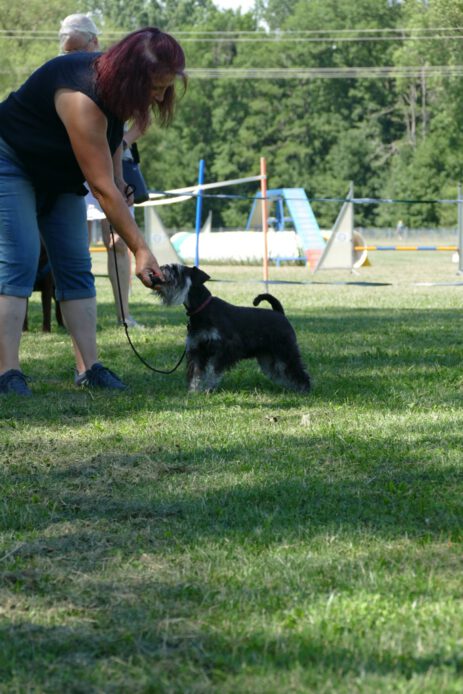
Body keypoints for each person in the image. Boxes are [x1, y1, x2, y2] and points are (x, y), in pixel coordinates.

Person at [0, 27, 186, 395]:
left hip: (59, 176)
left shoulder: (115, 91)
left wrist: (120, 181)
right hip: (11, 161)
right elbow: (100, 189)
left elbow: (110, 142)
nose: (159, 96)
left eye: (166, 88)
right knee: (19, 260)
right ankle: (7, 373)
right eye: (155, 87)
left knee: (75, 265)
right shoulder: (80, 93)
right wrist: (141, 249)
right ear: (133, 77)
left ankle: (89, 369)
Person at [59, 13, 144, 329]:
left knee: (119, 242)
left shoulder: (116, 75)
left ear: (94, 41)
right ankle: (78, 316)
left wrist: (121, 141)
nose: (71, 56)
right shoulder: (59, 75)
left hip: (113, 167)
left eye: (77, 49)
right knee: (74, 243)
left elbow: (142, 119)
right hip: (74, 168)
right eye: (67, 51)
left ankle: (124, 315)